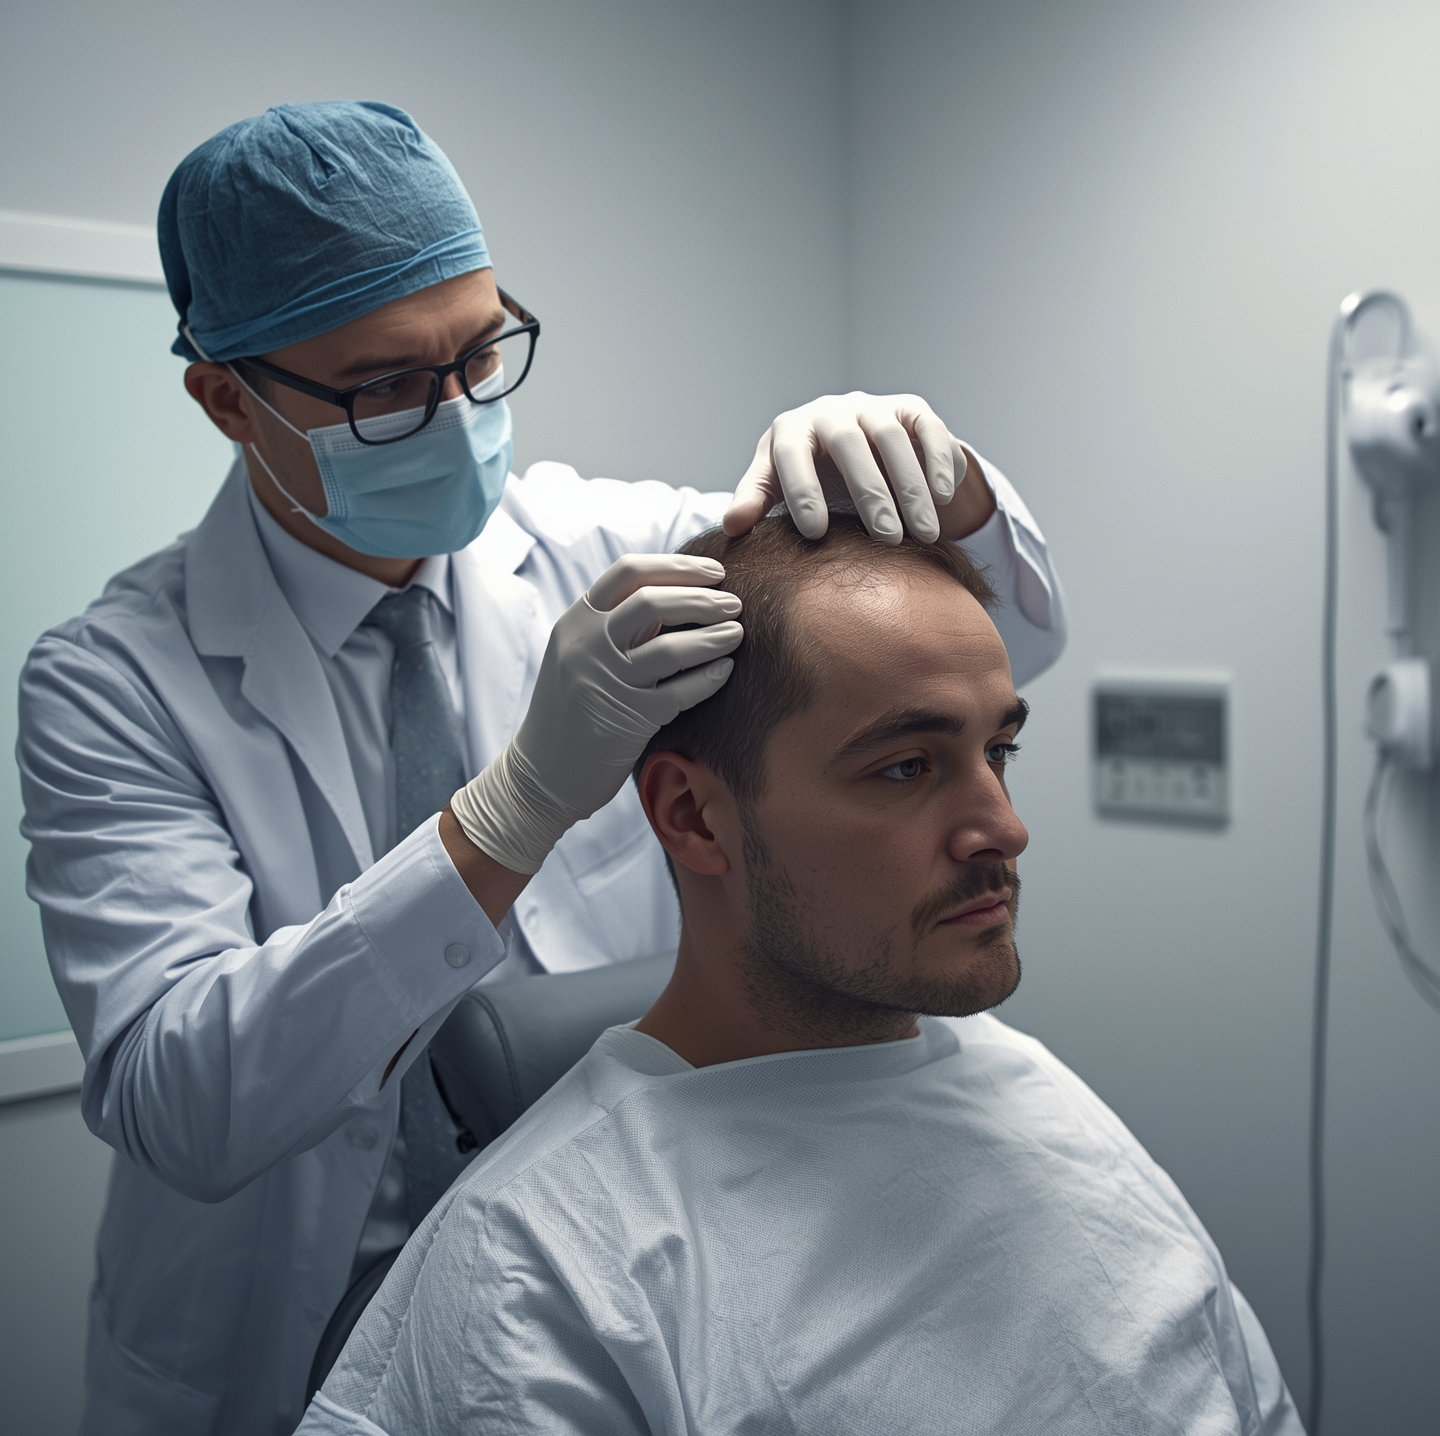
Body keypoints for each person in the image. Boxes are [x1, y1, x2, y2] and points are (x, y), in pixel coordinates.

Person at [15, 101, 1067, 1435]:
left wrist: (949, 491)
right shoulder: (112, 681)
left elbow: (993, 651)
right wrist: (511, 813)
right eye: (387, 385)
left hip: (605, 1270)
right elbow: (185, 1101)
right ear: (228, 398)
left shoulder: (608, 548)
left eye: (481, 352)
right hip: (270, 1338)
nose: (458, 415)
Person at [301, 514, 1303, 1436]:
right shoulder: (541, 1268)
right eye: (905, 767)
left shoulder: (1030, 1089)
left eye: (1000, 749)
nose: (1004, 826)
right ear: (694, 816)